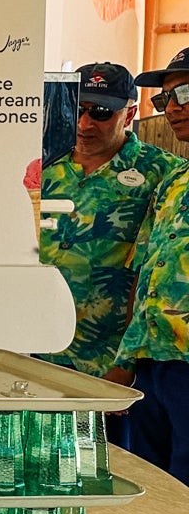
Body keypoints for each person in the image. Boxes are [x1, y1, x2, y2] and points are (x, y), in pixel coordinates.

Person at [112, 49, 189, 514]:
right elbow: (151, 276)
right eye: (169, 96)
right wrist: (127, 359)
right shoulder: (175, 184)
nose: (177, 107)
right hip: (158, 370)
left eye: (185, 92)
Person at [39, 62, 183, 380]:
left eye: (101, 112)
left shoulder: (163, 173)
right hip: (32, 345)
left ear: (129, 115)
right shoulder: (40, 164)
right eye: (77, 109)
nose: (84, 123)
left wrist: (126, 363)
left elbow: (152, 270)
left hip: (106, 357)